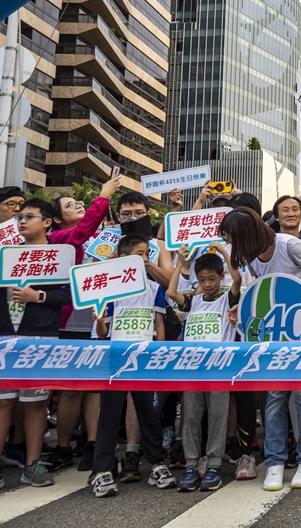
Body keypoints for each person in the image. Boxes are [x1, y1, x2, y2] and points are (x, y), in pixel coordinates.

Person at [221, 206, 301, 492]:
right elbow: (263, 290)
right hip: (274, 333)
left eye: (232, 238)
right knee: (274, 394)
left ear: (246, 235)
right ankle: (274, 461)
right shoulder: (252, 257)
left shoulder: (290, 246)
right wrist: (241, 307)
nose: (231, 245)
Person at [0, 199, 72, 497]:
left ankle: (33, 463)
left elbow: (70, 295)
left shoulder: (60, 256)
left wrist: (37, 296)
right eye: (19, 217)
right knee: (0, 402)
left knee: (36, 403)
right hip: (2, 334)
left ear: (48, 222)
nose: (21, 221)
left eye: (29, 217)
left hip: (39, 336)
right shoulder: (3, 254)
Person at [86, 235, 177, 497]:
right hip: (116, 359)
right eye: (139, 254)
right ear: (123, 258)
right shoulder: (109, 291)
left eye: (148, 254)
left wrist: (159, 356)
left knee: (148, 411)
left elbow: (159, 326)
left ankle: (157, 462)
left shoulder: (153, 289)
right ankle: (102, 468)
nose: (146, 259)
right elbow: (102, 333)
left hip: (144, 358)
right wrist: (101, 319)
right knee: (110, 413)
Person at [45, 176, 120, 471]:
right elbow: (83, 230)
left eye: (79, 203)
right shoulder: (59, 239)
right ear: (54, 218)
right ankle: (63, 445)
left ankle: (93, 443)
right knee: (71, 387)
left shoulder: (98, 238)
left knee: (94, 387)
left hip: (97, 317)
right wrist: (102, 196)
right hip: (68, 319)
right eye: (70, 205)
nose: (77, 206)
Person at [167, 243, 241, 492]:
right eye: (202, 279)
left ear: (221, 277)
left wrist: (221, 250)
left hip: (219, 369)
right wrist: (180, 262)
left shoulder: (227, 300)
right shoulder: (194, 301)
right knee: (191, 417)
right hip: (193, 368)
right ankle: (190, 463)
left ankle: (214, 464)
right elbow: (171, 291)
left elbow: (237, 277)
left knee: (218, 417)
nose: (208, 284)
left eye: (212, 279)